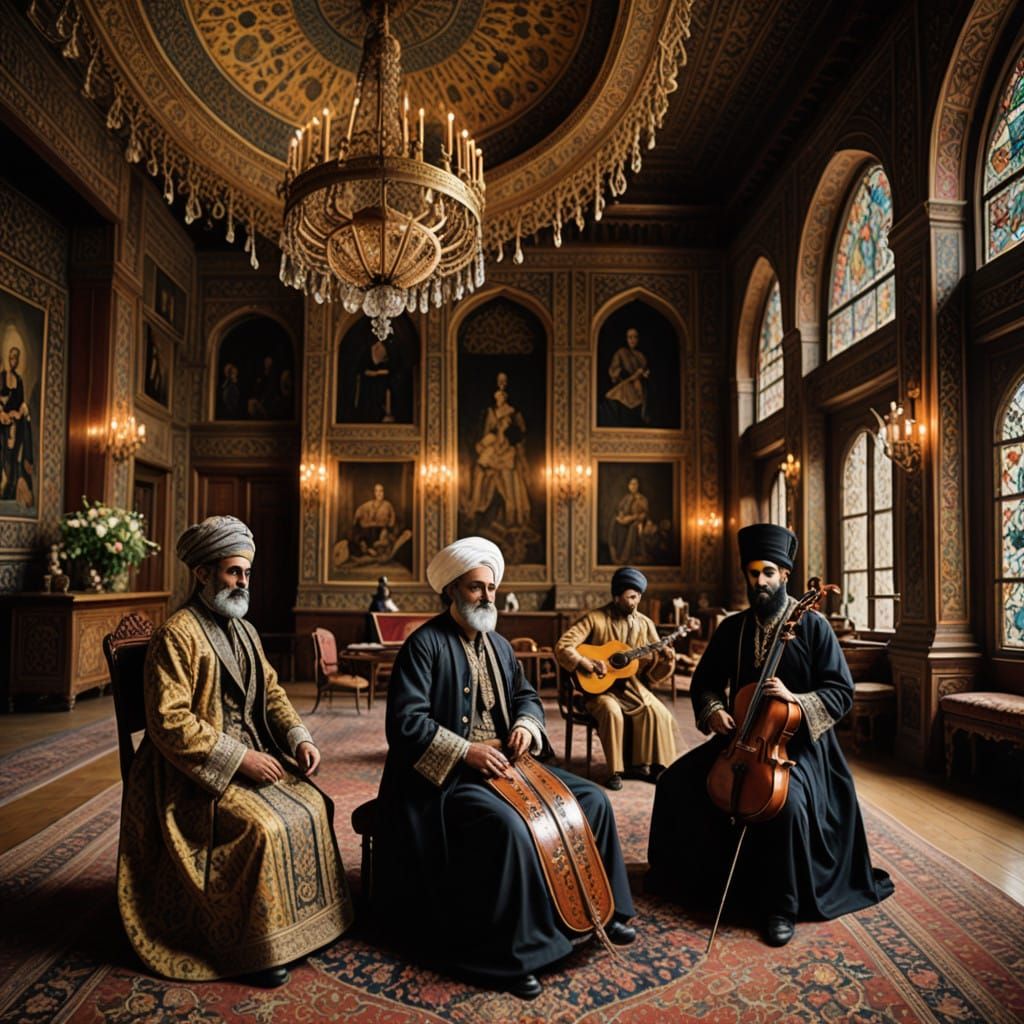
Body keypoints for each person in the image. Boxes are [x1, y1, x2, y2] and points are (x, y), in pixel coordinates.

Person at [372, 537, 636, 1000]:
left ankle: (602, 911)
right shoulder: (423, 645)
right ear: (451, 591)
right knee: (511, 827)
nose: (487, 597)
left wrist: (528, 728)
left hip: (509, 766)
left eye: (491, 588)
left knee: (592, 800)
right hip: (446, 779)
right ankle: (521, 951)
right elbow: (406, 725)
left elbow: (526, 697)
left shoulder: (499, 645)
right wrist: (466, 753)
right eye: (476, 588)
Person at [117, 515, 353, 985]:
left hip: (253, 754)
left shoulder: (245, 631)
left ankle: (303, 930)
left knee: (310, 803)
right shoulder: (176, 634)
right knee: (261, 826)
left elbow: (272, 691)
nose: (242, 582)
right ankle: (256, 948)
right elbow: (169, 722)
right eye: (232, 572)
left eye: (246, 573)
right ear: (202, 573)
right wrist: (239, 758)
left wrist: (297, 737)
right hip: (187, 775)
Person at [647, 523, 894, 947]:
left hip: (799, 747)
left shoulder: (813, 628)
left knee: (786, 807)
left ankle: (781, 906)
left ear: (784, 576)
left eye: (768, 573)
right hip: (739, 739)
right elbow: (705, 682)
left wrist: (796, 701)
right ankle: (681, 877)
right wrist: (715, 712)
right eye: (752, 573)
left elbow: (840, 692)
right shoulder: (733, 628)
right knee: (674, 783)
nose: (758, 581)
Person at [555, 567, 682, 790]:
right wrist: (587, 663)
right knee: (611, 711)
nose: (635, 602)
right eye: (630, 597)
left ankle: (653, 765)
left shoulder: (645, 624)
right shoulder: (595, 618)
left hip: (631, 687)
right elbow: (563, 646)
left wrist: (666, 660)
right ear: (616, 596)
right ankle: (615, 771)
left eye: (638, 597)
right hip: (599, 690)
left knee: (657, 711)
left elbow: (653, 675)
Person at [465, 387, 531, 532]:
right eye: (497, 396)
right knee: (483, 483)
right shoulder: (491, 437)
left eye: (505, 423)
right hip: (494, 456)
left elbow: (519, 436)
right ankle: (477, 510)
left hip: (506, 458)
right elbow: (481, 448)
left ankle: (511, 519)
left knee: (509, 490)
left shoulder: (510, 445)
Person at [0, 339, 33, 506]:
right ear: (8, 357)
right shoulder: (1, 377)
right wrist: (3, 413)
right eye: (11, 357)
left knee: (13, 458)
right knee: (3, 456)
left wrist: (20, 411)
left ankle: (10, 492)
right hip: (3, 424)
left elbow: (21, 401)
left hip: (16, 423)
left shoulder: (19, 380)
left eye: (16, 358)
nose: (14, 361)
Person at [602, 326, 649, 426]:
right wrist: (624, 374)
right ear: (626, 339)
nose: (632, 340)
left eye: (635, 337)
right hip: (625, 386)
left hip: (639, 388)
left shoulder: (641, 356)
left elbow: (645, 372)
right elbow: (613, 371)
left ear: (638, 339)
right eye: (630, 337)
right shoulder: (621, 352)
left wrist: (643, 374)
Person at [607, 475, 650, 564]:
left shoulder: (642, 499)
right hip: (626, 520)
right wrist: (621, 515)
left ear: (638, 486)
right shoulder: (627, 498)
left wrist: (631, 518)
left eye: (635, 484)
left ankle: (625, 557)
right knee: (615, 522)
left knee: (633, 527)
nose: (633, 486)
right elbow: (620, 509)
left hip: (638, 521)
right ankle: (615, 552)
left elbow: (644, 514)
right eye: (631, 484)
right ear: (629, 486)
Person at [351, 482, 397, 556]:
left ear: (384, 492)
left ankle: (374, 549)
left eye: (381, 491)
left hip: (382, 531)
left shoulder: (388, 505)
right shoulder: (368, 504)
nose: (379, 493)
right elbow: (359, 512)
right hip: (369, 531)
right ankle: (368, 549)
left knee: (383, 541)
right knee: (361, 535)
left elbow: (392, 520)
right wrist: (357, 519)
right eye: (377, 491)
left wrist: (387, 529)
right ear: (374, 493)